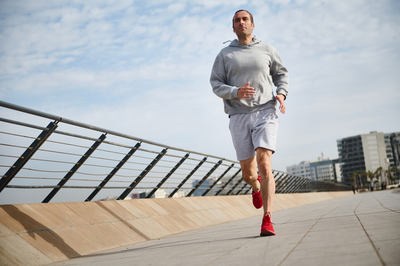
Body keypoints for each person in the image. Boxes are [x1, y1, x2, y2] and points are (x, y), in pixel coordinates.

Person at [210, 10, 289, 236]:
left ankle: (267, 219)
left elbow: (281, 75)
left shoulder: (268, 50)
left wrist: (282, 95)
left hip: (266, 111)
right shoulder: (225, 55)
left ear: (253, 25)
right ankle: (255, 187)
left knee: (265, 165)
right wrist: (236, 92)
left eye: (245, 19)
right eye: (237, 20)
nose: (241, 22)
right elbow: (216, 84)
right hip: (238, 116)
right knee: (248, 173)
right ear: (233, 28)